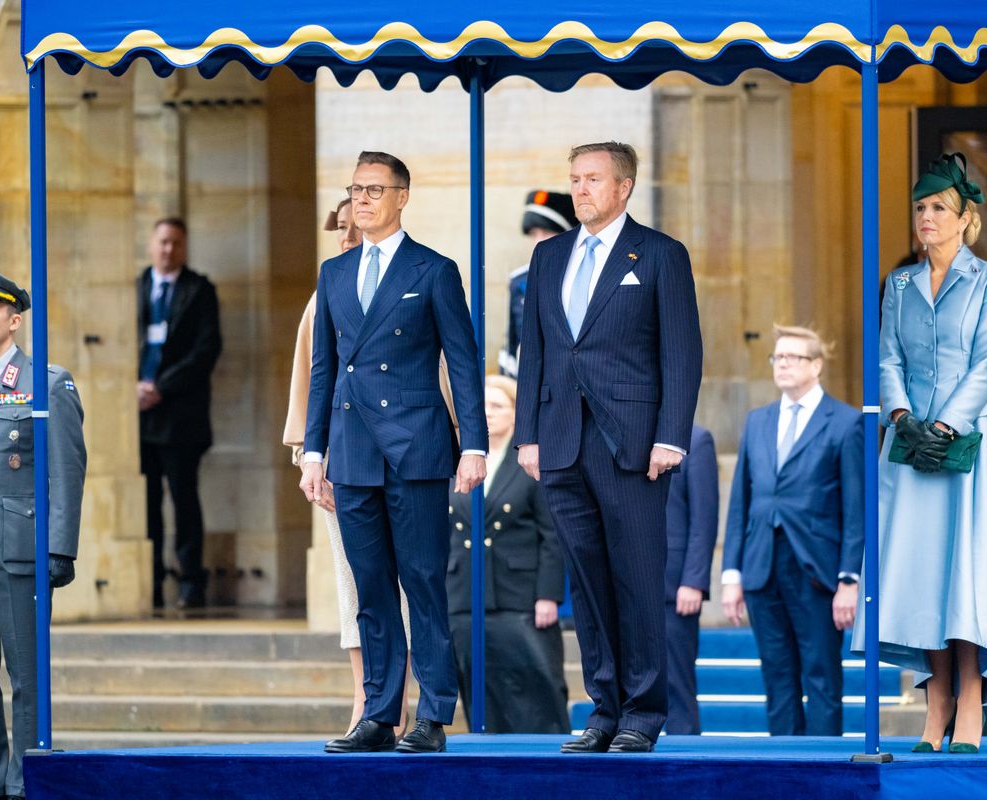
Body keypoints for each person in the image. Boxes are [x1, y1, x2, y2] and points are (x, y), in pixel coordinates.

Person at [854, 153, 987, 754]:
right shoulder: (900, 284)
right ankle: (934, 699)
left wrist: (944, 424)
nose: (926, 217)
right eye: (919, 207)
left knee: (965, 575)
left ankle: (970, 699)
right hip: (911, 446)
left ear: (966, 218)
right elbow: (886, 357)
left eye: (938, 207)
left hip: (969, 442)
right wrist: (899, 417)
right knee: (922, 577)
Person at [514, 141, 703, 753]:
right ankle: (604, 709)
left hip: (633, 443)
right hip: (562, 438)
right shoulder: (548, 257)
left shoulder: (660, 255)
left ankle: (643, 714)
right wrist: (527, 436)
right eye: (575, 179)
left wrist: (671, 436)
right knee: (588, 581)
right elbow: (535, 353)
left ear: (624, 187)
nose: (581, 189)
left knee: (636, 579)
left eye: (593, 179)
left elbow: (682, 352)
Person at [301, 151, 487, 754]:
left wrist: (475, 444)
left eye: (374, 190)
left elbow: (462, 363)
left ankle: (432, 714)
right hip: (352, 449)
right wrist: (312, 452)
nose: (362, 200)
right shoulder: (335, 273)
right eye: (355, 189)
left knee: (423, 582)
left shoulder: (433, 269)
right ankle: (379, 712)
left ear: (402, 197)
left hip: (418, 448)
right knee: (371, 587)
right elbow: (324, 370)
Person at [0, 265, 86, 800]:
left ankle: (25, 781)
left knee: (27, 677)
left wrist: (59, 546)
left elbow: (66, 469)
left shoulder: (46, 383)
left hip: (18, 549)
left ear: (15, 320)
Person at [282, 198, 414, 743]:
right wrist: (307, 456)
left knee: (412, 587)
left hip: (409, 460)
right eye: (339, 229)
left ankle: (409, 704)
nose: (344, 238)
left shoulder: (415, 280)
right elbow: (309, 381)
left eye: (353, 226)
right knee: (355, 588)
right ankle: (366, 698)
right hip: (343, 464)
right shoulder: (326, 295)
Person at [721, 326, 863, 737]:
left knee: (821, 677)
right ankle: (782, 772)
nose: (781, 364)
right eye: (777, 357)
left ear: (816, 365)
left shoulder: (846, 423)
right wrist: (732, 575)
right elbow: (740, 504)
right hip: (762, 567)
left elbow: (856, 510)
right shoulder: (758, 421)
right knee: (777, 678)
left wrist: (849, 579)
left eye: (792, 357)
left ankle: (821, 773)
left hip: (816, 571)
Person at [447, 374, 569, 733]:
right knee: (480, 695)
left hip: (519, 596)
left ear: (517, 413)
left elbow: (552, 535)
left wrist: (548, 594)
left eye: (498, 405)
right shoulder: (456, 460)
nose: (488, 412)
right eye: (482, 405)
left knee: (534, 693)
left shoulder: (531, 462)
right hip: (464, 596)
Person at [137, 218, 222, 609]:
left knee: (184, 499)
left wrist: (161, 388)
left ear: (184, 247)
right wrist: (134, 387)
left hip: (180, 416)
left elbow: (206, 350)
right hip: (137, 417)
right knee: (145, 503)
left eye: (175, 243)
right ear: (152, 245)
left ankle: (191, 582)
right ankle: (150, 580)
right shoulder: (135, 286)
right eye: (162, 242)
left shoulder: (199, 290)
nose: (168, 249)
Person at [661, 424, 718, 735]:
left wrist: (694, 580)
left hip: (675, 585)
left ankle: (683, 755)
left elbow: (704, 517)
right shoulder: (624, 434)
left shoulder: (696, 439)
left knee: (676, 682)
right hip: (632, 584)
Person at [499, 191, 578, 377]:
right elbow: (512, 343)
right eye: (534, 234)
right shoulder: (519, 282)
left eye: (547, 232)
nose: (539, 240)